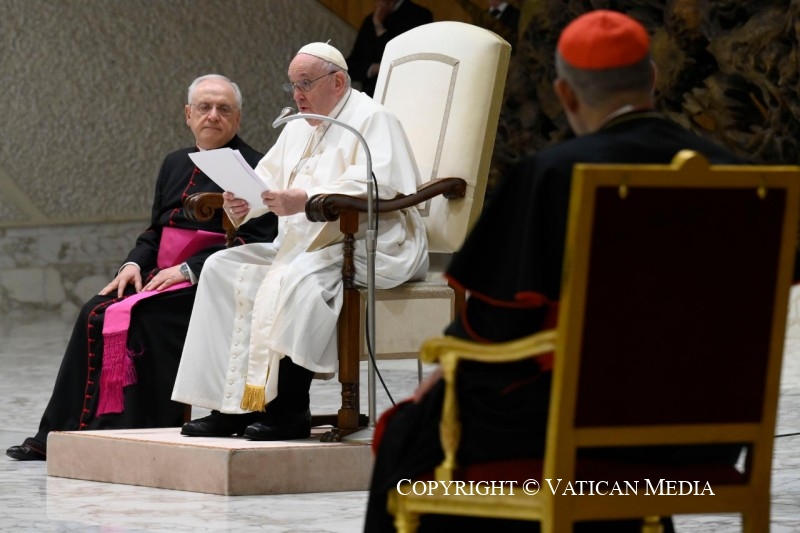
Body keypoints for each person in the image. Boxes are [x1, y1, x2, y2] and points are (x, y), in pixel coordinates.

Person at [364, 10, 747, 532]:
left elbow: (492, 329)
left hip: (577, 430)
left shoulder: (553, 173)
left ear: (565, 95)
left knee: (411, 434)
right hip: (702, 437)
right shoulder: (737, 177)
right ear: (653, 79)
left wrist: (441, 374)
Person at [5, 74, 278, 461]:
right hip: (158, 276)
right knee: (92, 312)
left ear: (238, 117)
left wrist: (188, 270)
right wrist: (132, 264)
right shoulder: (174, 162)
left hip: (213, 283)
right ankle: (56, 434)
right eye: (204, 107)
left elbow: (260, 241)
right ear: (188, 114)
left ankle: (130, 437)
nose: (213, 115)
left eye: (224, 109)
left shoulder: (257, 166)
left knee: (143, 320)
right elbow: (156, 230)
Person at [172, 43, 428, 441]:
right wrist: (243, 200)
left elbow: (382, 186)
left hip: (366, 241)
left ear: (338, 82)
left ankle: (289, 408)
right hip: (304, 242)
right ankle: (234, 407)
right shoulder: (298, 125)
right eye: (292, 85)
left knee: (296, 278)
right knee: (224, 268)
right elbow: (266, 181)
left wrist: (306, 200)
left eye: (305, 84)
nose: (297, 95)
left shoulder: (372, 120)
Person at [346, 0, 433, 97]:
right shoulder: (370, 20)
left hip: (402, 94)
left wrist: (379, 28)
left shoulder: (420, 15)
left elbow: (408, 60)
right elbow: (351, 65)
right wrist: (373, 68)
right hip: (370, 96)